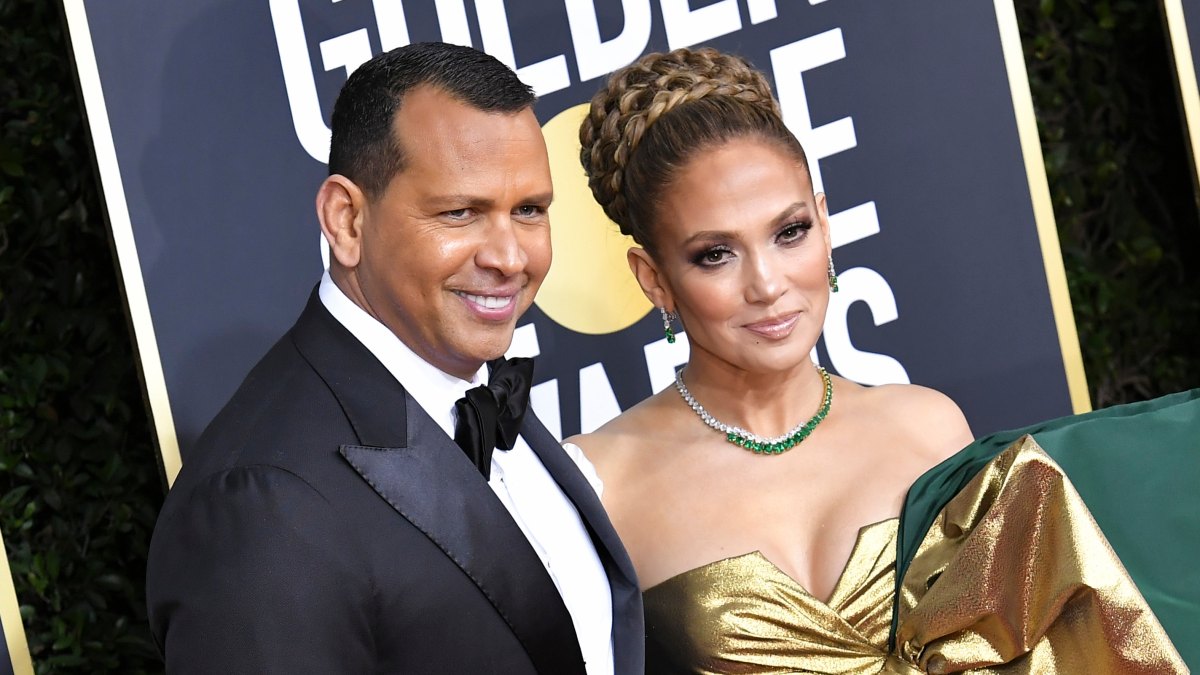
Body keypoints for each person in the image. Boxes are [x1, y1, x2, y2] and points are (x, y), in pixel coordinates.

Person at [570, 46, 1191, 673]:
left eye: (790, 233)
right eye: (714, 255)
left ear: (824, 223)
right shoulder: (600, 485)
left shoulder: (926, 427)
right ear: (654, 280)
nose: (767, 284)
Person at [145, 42, 643, 674]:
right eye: (460, 213)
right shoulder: (261, 507)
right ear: (346, 220)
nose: (511, 258)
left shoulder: (478, 391)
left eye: (529, 212)